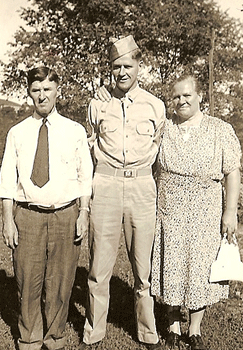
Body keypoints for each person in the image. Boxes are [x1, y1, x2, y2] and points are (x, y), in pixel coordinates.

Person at [80, 35, 166, 350]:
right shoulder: (96, 104)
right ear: (110, 69)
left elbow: (159, 149)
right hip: (105, 184)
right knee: (99, 268)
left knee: (143, 270)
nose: (122, 72)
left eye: (127, 65)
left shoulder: (156, 106)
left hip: (143, 187)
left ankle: (147, 332)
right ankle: (94, 332)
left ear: (139, 66)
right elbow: (89, 145)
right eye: (116, 67)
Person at [0, 66, 93, 350]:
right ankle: (29, 338)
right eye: (36, 90)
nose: (42, 95)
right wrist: (7, 220)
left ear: (57, 91)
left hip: (66, 214)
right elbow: (6, 179)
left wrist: (84, 213)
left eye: (47, 89)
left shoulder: (74, 131)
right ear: (29, 93)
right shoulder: (17, 133)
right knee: (27, 281)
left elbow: (85, 176)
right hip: (27, 215)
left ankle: (54, 337)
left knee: (61, 283)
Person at [151, 74, 241, 350]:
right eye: (176, 96)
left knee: (200, 268)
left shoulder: (219, 129)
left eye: (187, 95)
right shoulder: (164, 128)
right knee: (172, 264)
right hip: (169, 210)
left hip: (206, 211)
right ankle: (173, 324)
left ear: (200, 96)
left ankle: (195, 329)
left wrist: (230, 212)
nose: (181, 100)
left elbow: (232, 172)